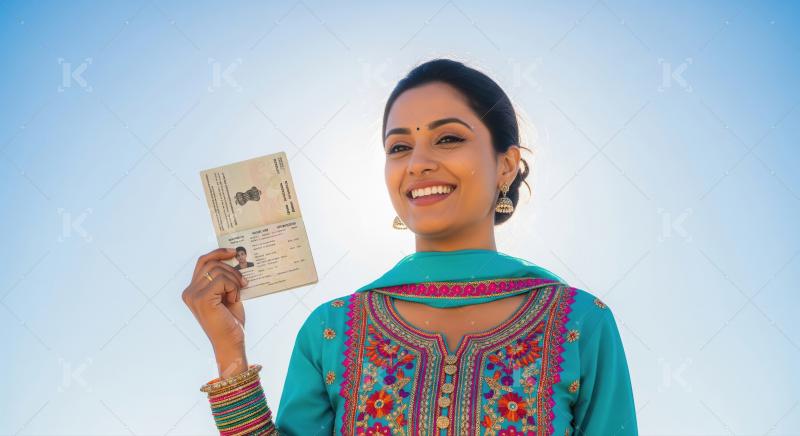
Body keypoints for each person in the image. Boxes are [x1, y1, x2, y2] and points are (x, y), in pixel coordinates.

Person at [182, 58, 638, 435]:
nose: (419, 163)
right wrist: (230, 351)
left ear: (506, 166)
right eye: (399, 147)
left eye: (448, 138)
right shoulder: (333, 330)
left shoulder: (578, 322)